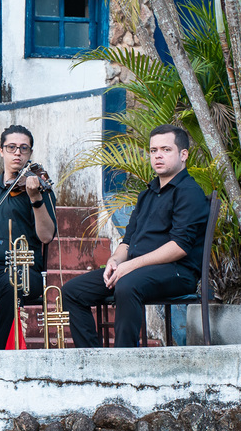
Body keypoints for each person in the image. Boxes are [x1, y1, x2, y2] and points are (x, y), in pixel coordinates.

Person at [60, 124, 209, 348]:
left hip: (178, 272)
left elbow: (180, 246)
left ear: (183, 155)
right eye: (153, 150)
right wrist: (115, 261)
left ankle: (125, 359)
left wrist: (130, 266)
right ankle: (93, 359)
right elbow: (128, 241)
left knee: (127, 285)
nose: (158, 155)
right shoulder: (147, 195)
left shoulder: (189, 192)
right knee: (72, 292)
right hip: (136, 270)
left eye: (166, 150)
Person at [0, 125, 56, 350]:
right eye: (11, 147)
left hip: (22, 271)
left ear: (30, 153)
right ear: (1, 151)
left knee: (13, 284)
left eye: (23, 148)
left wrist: (35, 198)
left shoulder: (40, 191)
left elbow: (46, 236)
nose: (17, 152)